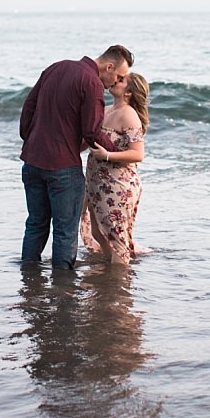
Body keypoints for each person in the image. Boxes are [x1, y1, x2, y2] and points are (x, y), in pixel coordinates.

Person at [20, 45, 134, 270]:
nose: (115, 82)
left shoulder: (56, 68)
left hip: (32, 162)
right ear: (108, 66)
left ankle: (29, 282)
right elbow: (92, 132)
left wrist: (30, 139)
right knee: (65, 231)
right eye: (119, 76)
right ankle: (64, 292)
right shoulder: (91, 83)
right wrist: (117, 155)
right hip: (62, 168)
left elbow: (29, 106)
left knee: (35, 224)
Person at [80, 72, 149, 266]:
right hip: (97, 183)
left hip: (118, 185)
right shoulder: (106, 109)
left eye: (122, 80)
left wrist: (108, 156)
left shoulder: (128, 115)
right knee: (97, 232)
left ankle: (120, 286)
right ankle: (110, 274)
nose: (116, 80)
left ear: (128, 93)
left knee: (116, 239)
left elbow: (138, 154)